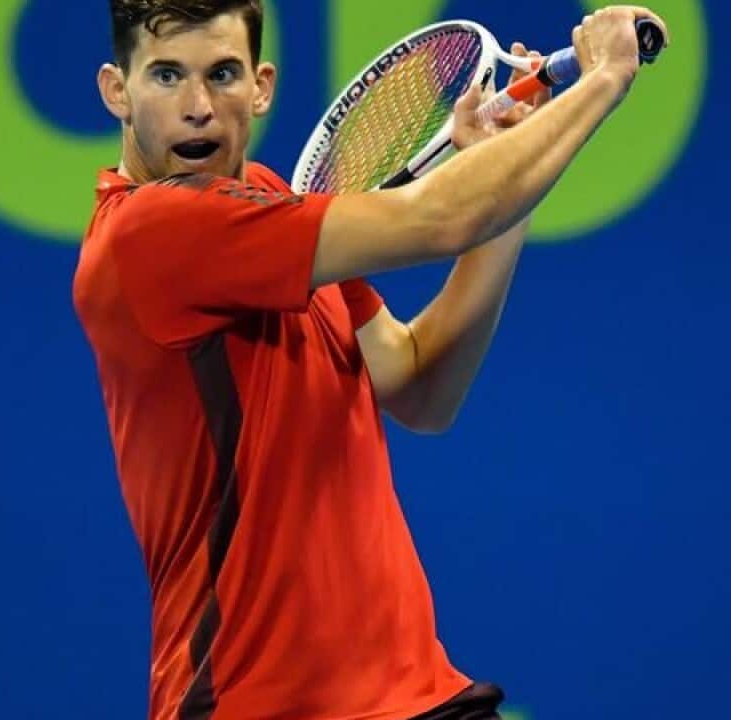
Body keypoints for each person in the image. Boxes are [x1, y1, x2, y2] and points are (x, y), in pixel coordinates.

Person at [72, 1, 668, 719]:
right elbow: (438, 217)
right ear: (117, 91)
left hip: (416, 697)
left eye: (222, 74)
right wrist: (602, 80)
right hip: (259, 706)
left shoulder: (264, 205)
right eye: (167, 76)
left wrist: (502, 191)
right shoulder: (151, 232)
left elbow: (420, 383)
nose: (198, 107)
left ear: (261, 86)